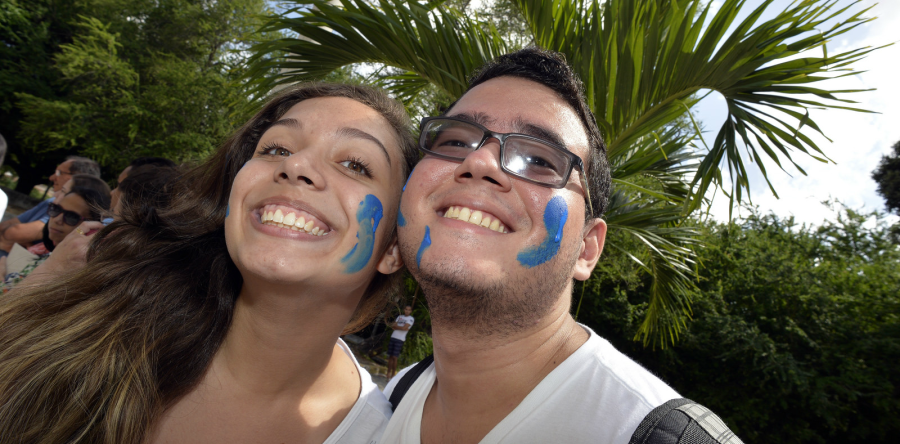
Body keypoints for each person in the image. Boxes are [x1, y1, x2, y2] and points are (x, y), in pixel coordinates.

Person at [0, 83, 419, 443]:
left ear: (392, 249)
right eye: (276, 148)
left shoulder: (378, 435)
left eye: (355, 164)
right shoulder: (84, 327)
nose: (294, 165)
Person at [384, 48, 742, 444]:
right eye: (455, 140)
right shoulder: (394, 397)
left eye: (539, 160)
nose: (481, 162)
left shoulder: (663, 437)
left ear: (587, 249)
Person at [0, 175, 110, 292]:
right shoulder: (47, 253)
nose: (57, 219)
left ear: (93, 228)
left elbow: (10, 299)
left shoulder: (67, 274)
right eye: (56, 209)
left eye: (71, 216)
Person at [0, 155, 101, 254]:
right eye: (55, 209)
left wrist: (18, 240)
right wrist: (23, 242)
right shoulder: (51, 201)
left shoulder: (65, 207)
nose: (52, 177)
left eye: (59, 173)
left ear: (77, 178)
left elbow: (13, 233)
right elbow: (8, 228)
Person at [387, 305, 415, 379]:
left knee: (394, 357)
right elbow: (393, 326)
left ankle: (393, 375)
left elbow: (404, 327)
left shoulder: (411, 319)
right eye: (406, 309)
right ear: (404, 309)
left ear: (411, 311)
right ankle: (388, 373)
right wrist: (402, 328)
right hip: (393, 337)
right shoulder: (399, 317)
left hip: (400, 339)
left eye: (409, 310)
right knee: (390, 356)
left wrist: (398, 327)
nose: (407, 311)